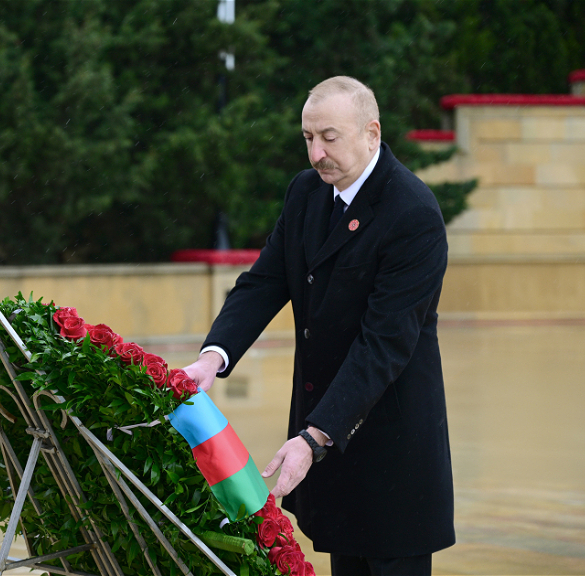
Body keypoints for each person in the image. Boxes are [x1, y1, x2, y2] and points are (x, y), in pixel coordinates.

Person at [183, 76, 455, 576]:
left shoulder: (412, 213)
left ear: (371, 134)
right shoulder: (307, 192)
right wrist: (212, 357)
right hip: (327, 443)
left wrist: (314, 437)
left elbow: (384, 345)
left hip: (392, 454)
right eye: (308, 137)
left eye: (329, 136)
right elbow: (265, 281)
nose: (316, 152)